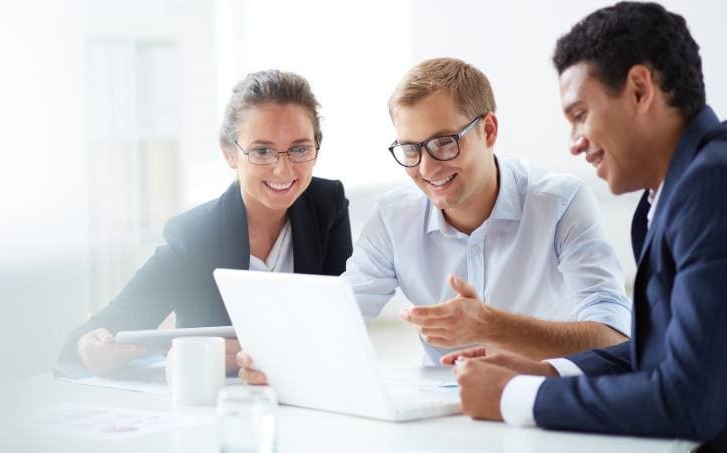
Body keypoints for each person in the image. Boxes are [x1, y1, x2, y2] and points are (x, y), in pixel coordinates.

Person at [237, 57, 631, 383]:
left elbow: (615, 339)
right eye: (410, 149)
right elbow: (341, 315)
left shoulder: (560, 203)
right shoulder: (394, 216)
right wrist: (272, 359)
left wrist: (491, 326)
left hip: (546, 402)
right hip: (444, 408)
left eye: (444, 142)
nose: (427, 167)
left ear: (489, 130)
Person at [446, 2, 727, 450]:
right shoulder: (669, 193)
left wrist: (515, 397)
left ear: (639, 89)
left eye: (579, 114)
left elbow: (692, 399)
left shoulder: (710, 185)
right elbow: (661, 357)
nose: (575, 144)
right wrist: (547, 370)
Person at [59, 69, 353, 376]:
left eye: (299, 149)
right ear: (229, 153)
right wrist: (87, 347)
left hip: (306, 394)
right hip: (216, 404)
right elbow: (117, 321)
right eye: (262, 151)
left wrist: (264, 350)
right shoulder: (196, 235)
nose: (283, 169)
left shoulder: (326, 204)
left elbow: (341, 323)